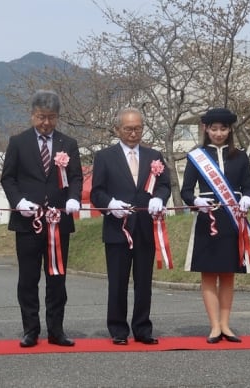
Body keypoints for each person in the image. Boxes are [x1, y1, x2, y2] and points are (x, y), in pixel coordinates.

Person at [0, 90, 83, 348]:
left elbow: (76, 176)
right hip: (28, 222)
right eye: (41, 117)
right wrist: (18, 202)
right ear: (32, 115)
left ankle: (56, 330)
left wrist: (73, 198)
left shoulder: (67, 144)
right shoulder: (18, 142)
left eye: (51, 117)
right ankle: (30, 330)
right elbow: (8, 178)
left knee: (57, 277)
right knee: (28, 278)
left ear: (58, 117)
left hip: (59, 222)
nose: (46, 122)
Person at [90, 107, 171, 345]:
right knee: (117, 281)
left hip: (145, 227)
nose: (133, 133)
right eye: (128, 129)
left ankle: (143, 328)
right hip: (117, 228)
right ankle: (118, 329)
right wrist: (110, 204)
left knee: (144, 281)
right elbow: (97, 192)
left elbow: (165, 185)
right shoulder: (105, 156)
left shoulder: (154, 155)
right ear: (118, 129)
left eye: (137, 128)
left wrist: (160, 198)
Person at [180, 107, 250, 344]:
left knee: (229, 274)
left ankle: (226, 325)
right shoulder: (197, 156)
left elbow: (249, 187)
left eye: (223, 128)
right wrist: (195, 201)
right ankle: (214, 326)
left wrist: (247, 199)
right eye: (214, 129)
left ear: (230, 129)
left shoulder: (241, 156)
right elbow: (185, 190)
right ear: (206, 129)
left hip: (233, 219)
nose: (219, 133)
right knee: (209, 274)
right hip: (207, 218)